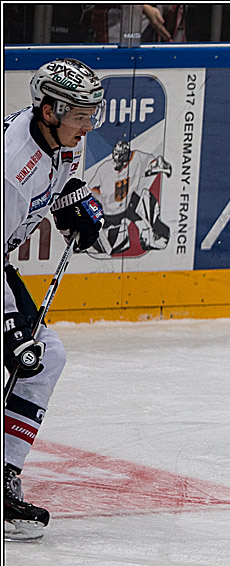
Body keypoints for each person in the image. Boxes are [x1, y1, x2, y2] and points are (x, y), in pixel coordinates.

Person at [4, 58, 105, 541]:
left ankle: (4, 472)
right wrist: (9, 324)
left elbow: (60, 181)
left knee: (44, 357)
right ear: (49, 110)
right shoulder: (10, 167)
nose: (88, 127)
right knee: (27, 352)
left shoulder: (61, 140)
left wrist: (72, 203)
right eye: (81, 116)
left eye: (91, 115)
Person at [86, 140, 172, 258]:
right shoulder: (104, 168)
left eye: (120, 156)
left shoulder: (136, 159)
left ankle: (156, 234)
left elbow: (153, 163)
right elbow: (92, 190)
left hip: (128, 207)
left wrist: (161, 166)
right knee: (112, 244)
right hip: (109, 213)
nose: (117, 159)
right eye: (116, 155)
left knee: (146, 197)